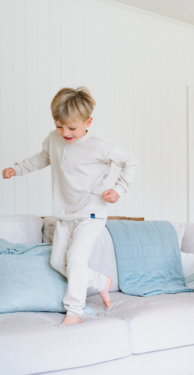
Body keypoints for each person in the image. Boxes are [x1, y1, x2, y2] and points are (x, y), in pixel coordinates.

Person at [2, 87, 138, 325]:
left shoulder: (99, 146)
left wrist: (118, 189)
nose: (65, 132)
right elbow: (43, 158)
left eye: (72, 128)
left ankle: (75, 310)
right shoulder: (53, 139)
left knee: (75, 259)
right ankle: (99, 282)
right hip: (64, 215)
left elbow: (130, 162)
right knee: (56, 261)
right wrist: (18, 169)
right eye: (59, 125)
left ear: (88, 122)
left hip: (92, 214)